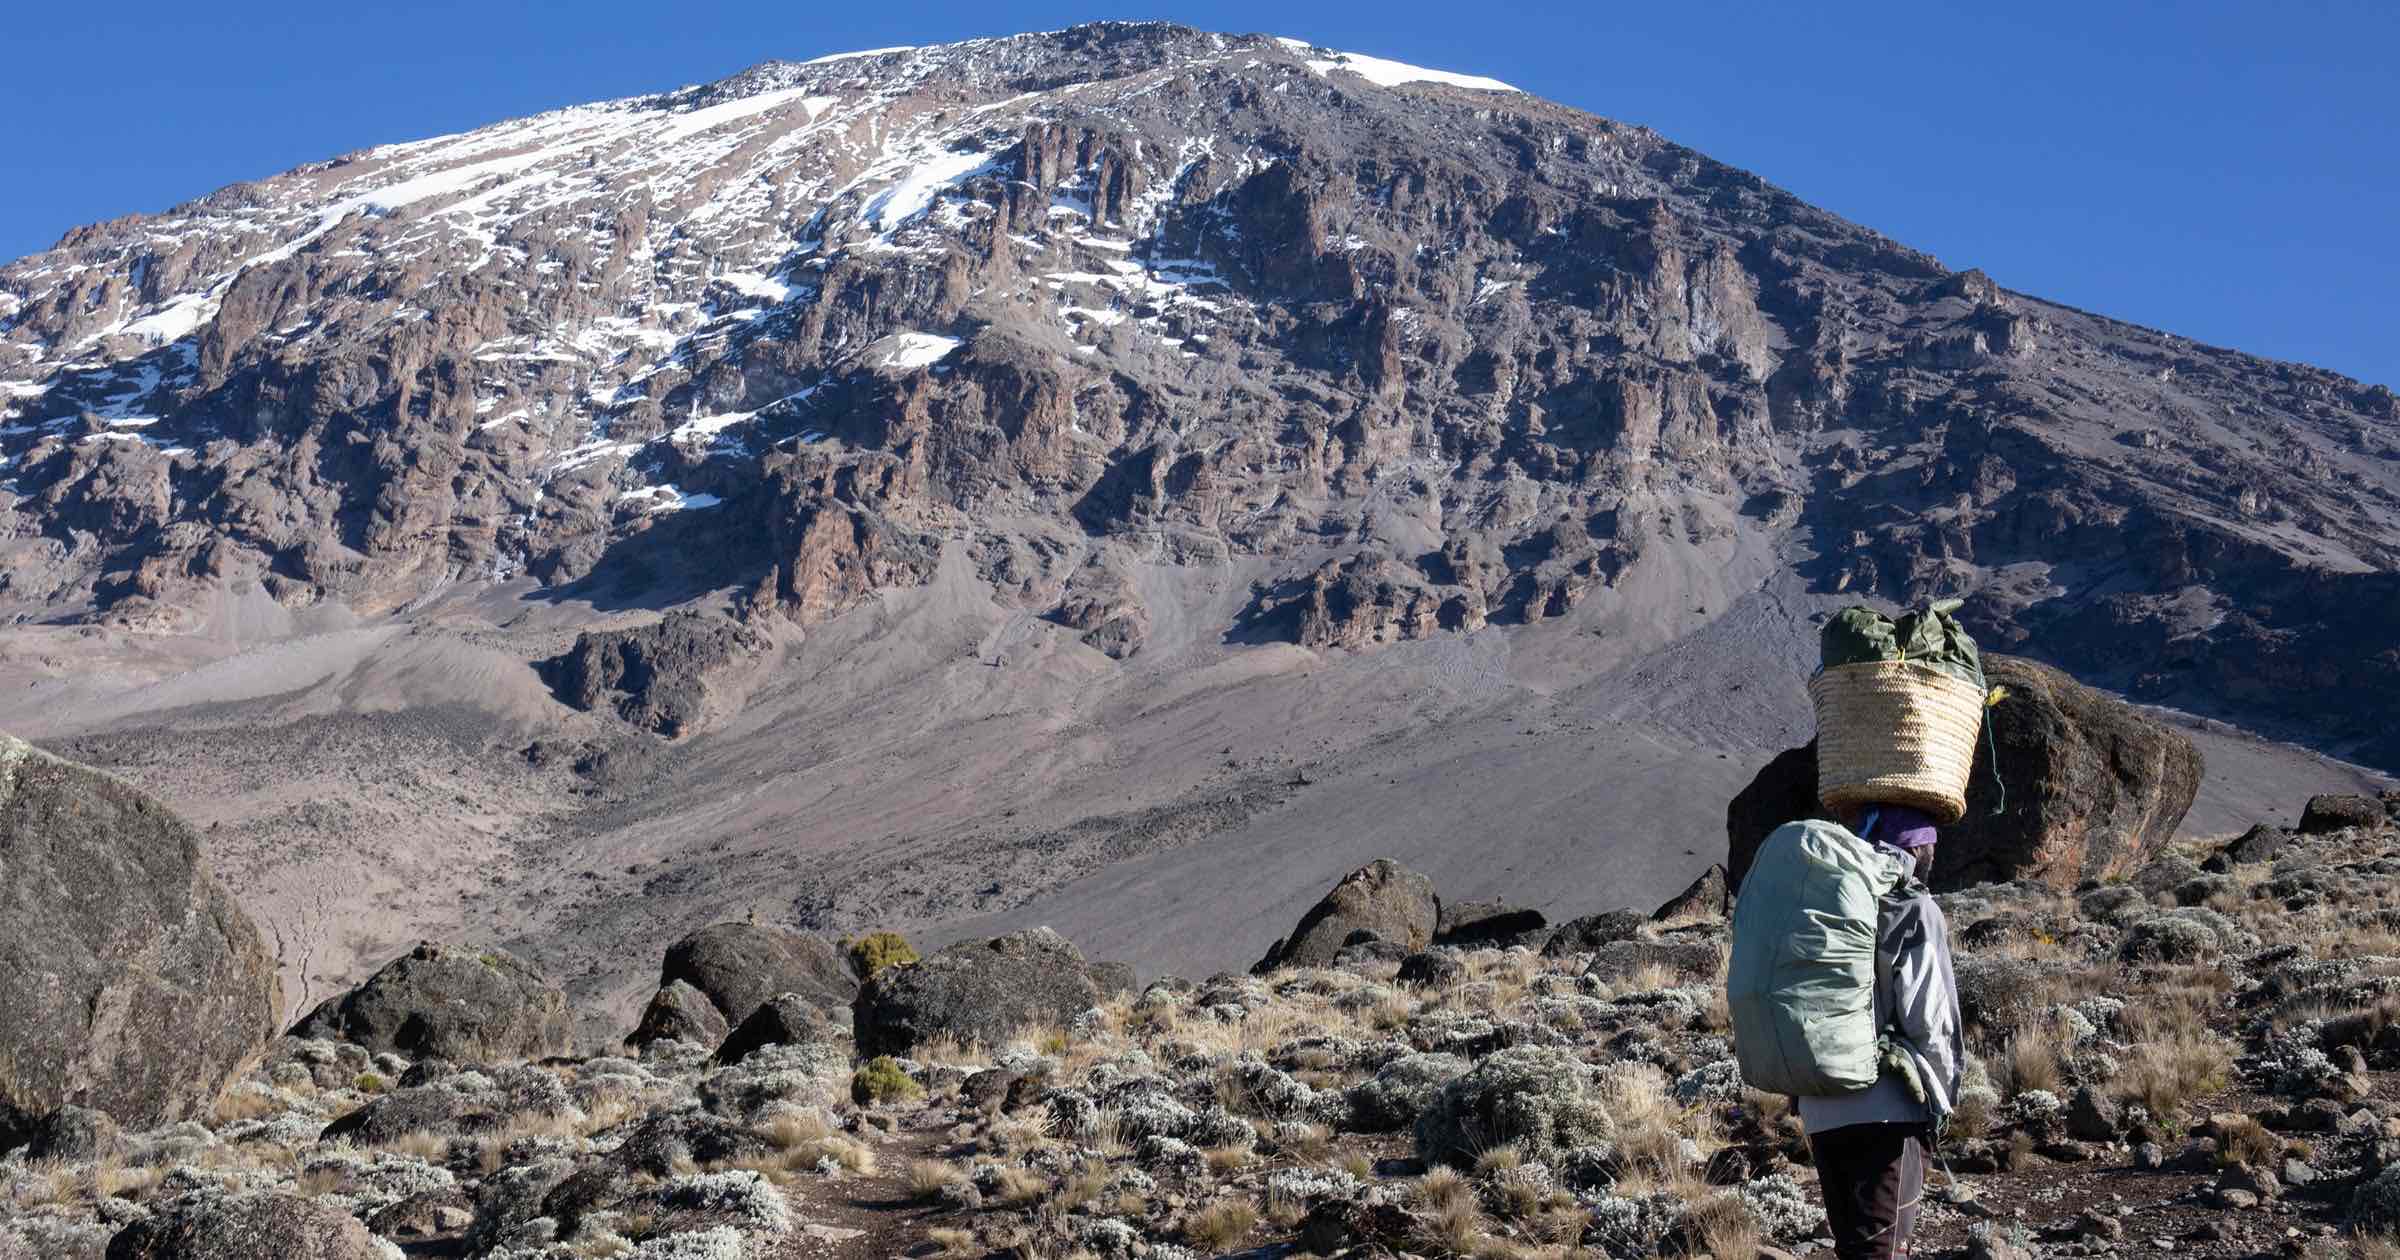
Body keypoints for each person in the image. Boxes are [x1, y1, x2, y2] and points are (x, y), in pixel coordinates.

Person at [1797, 804, 1964, 1260]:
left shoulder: (1823, 906)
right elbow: (1931, 1019)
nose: (1933, 853)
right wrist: (1942, 1099)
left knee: (1856, 1249)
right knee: (1882, 1251)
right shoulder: (1913, 908)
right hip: (1888, 1110)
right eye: (1928, 843)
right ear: (1916, 851)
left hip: (1821, 1106)